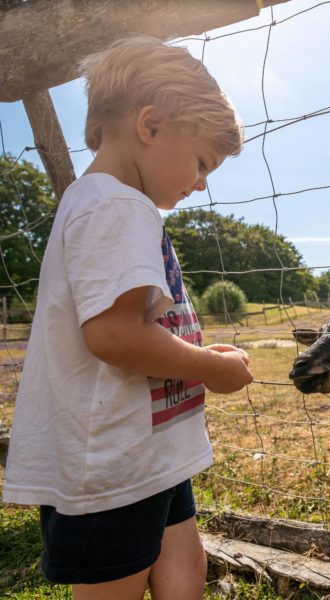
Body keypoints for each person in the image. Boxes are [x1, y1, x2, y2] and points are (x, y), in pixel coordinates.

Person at [2, 36, 253, 599]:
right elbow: (113, 335)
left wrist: (194, 361)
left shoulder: (111, 204)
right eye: (201, 162)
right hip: (112, 469)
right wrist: (208, 369)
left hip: (147, 450)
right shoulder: (115, 205)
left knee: (184, 565)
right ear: (151, 125)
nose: (201, 183)